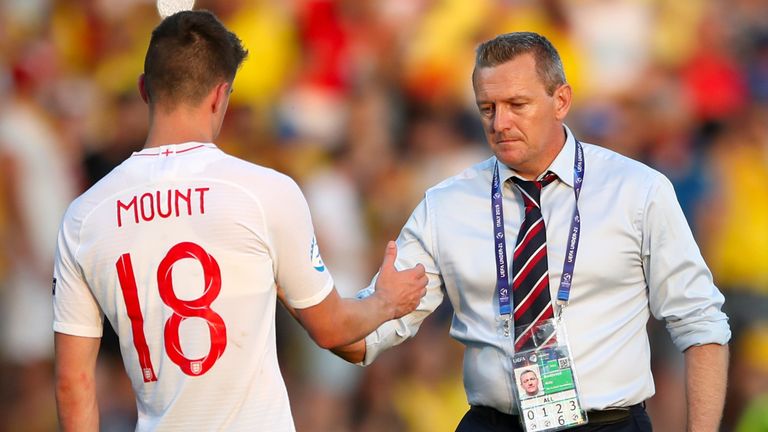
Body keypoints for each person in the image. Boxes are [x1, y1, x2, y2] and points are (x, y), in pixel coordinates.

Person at [333, 32, 730, 432]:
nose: (500, 123)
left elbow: (700, 321)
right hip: (493, 423)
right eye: (486, 108)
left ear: (561, 101)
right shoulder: (446, 205)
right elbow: (365, 337)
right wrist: (301, 290)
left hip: (608, 423)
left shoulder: (637, 190)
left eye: (516, 105)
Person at [52, 10, 427, 431]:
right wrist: (388, 301)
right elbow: (331, 328)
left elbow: (74, 384)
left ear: (144, 89)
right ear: (220, 95)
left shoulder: (85, 215)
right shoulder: (266, 191)